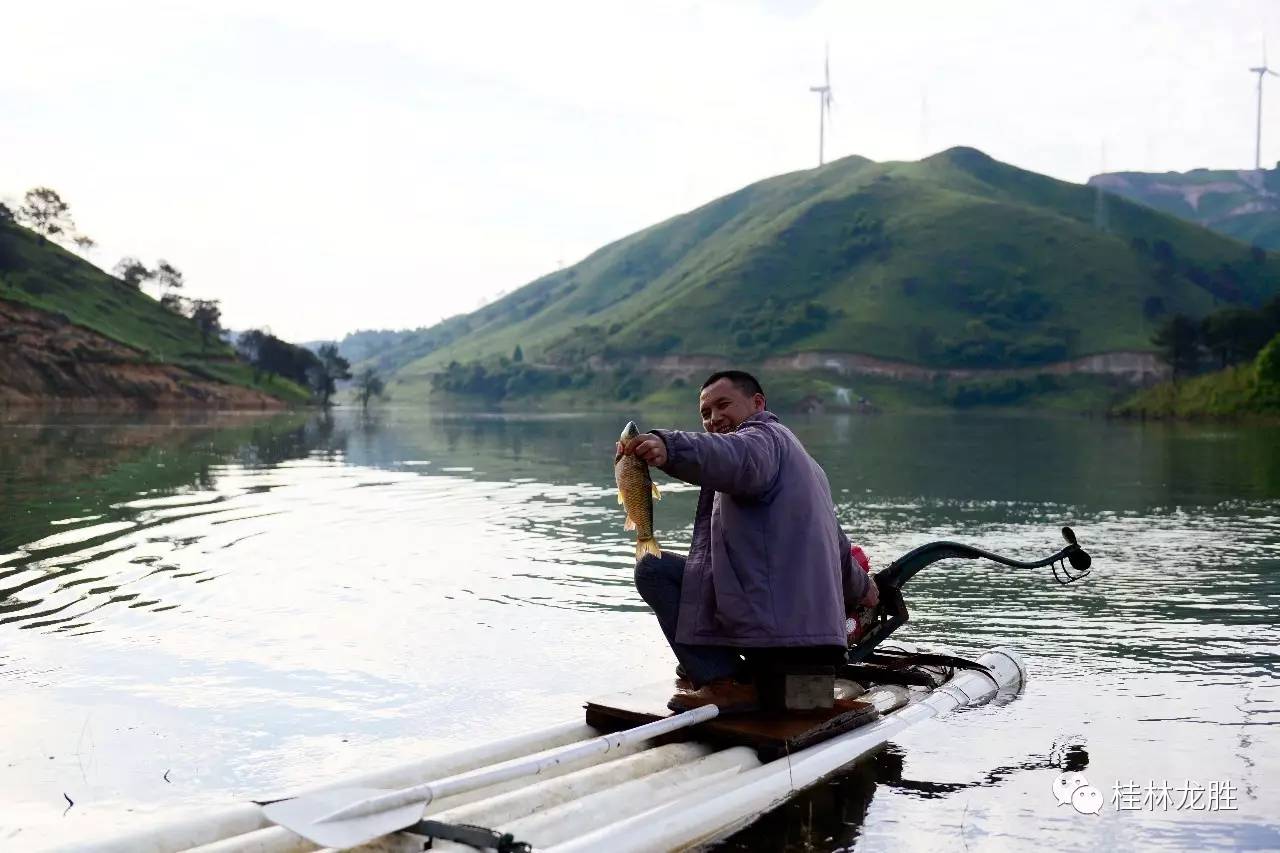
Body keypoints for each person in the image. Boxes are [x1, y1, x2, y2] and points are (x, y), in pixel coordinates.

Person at [618, 370, 879, 713]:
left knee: (653, 569)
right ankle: (747, 681)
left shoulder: (762, 440)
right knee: (801, 694)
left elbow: (732, 456)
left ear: (758, 403)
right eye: (706, 414)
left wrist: (668, 447)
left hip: (781, 651)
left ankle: (725, 683)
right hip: (816, 662)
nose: (714, 419)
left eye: (723, 405)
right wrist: (865, 590)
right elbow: (839, 548)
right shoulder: (808, 467)